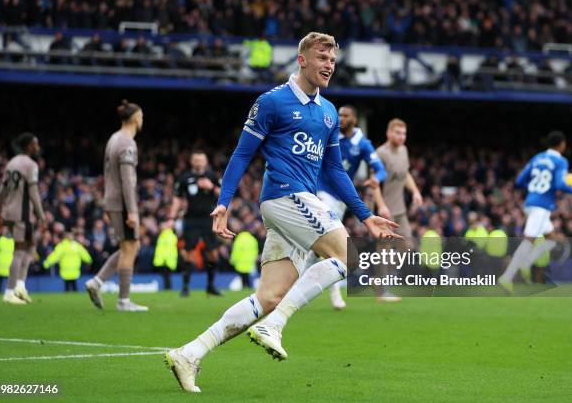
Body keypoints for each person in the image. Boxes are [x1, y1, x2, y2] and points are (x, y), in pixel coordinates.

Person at [164, 32, 399, 393]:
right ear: (302, 59)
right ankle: (274, 326)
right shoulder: (272, 102)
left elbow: (334, 171)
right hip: (285, 196)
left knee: (269, 297)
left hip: (299, 204)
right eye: (322, 58)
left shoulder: (328, 112)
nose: (329, 66)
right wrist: (224, 201)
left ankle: (189, 352)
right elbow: (242, 154)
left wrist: (365, 215)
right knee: (347, 254)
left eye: (333, 60)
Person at [306, 104, 387, 309]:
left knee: (317, 250)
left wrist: (376, 178)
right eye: (339, 114)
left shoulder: (362, 143)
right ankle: (334, 294)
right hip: (322, 192)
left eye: (345, 115)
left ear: (354, 119)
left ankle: (296, 288)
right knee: (331, 245)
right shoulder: (330, 135)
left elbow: (380, 169)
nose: (340, 118)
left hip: (341, 199)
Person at [85, 100, 148, 312]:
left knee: (128, 247)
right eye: (141, 116)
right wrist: (132, 211)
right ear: (135, 119)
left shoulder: (114, 138)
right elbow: (128, 180)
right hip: (122, 203)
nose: (142, 120)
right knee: (130, 248)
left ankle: (97, 282)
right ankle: (124, 300)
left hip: (112, 200)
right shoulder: (128, 143)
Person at [498, 131, 572, 292]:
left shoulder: (537, 158)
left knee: (550, 238)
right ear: (561, 144)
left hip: (530, 202)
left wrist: (535, 188)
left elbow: (520, 180)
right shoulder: (561, 161)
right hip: (542, 206)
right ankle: (507, 277)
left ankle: (526, 263)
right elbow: (559, 184)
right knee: (529, 239)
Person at [374, 118, 423, 302]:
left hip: (400, 209)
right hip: (384, 211)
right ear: (389, 133)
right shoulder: (381, 154)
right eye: (398, 133)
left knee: (408, 246)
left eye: (404, 133)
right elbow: (374, 183)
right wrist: (381, 205)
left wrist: (415, 191)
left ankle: (378, 279)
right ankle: (383, 291)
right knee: (384, 249)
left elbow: (406, 173)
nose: (402, 137)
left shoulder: (404, 150)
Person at [0, 133, 46, 305]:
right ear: (29, 146)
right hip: (21, 214)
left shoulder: (11, 163)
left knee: (31, 245)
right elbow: (33, 193)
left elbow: (2, 190)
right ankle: (10, 292)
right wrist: (41, 215)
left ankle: (20, 286)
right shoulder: (30, 165)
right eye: (36, 144)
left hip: (9, 211)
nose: (38, 147)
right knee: (19, 250)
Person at [168, 151, 222, 297]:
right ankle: (185, 287)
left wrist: (211, 187)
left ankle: (210, 285)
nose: (199, 162)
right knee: (188, 251)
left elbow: (223, 194)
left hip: (209, 218)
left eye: (201, 159)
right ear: (192, 161)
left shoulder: (212, 176)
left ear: (206, 162)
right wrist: (171, 218)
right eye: (196, 159)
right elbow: (177, 199)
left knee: (212, 253)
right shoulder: (185, 177)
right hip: (191, 219)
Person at [0, 229, 14, 293]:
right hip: (10, 264)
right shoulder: (13, 241)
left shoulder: (0, 240)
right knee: (10, 281)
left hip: (1, 264)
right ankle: (10, 292)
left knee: (0, 280)